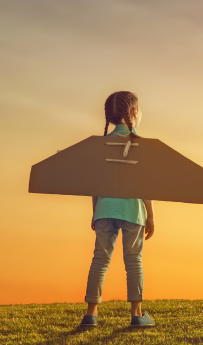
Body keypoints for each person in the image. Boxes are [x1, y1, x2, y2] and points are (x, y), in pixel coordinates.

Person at [81, 91, 156, 328]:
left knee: (100, 259)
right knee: (133, 260)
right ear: (134, 113)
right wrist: (151, 215)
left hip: (104, 208)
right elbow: (146, 185)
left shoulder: (99, 144)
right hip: (132, 210)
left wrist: (95, 210)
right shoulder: (140, 145)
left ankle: (90, 315)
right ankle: (137, 314)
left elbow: (94, 183)